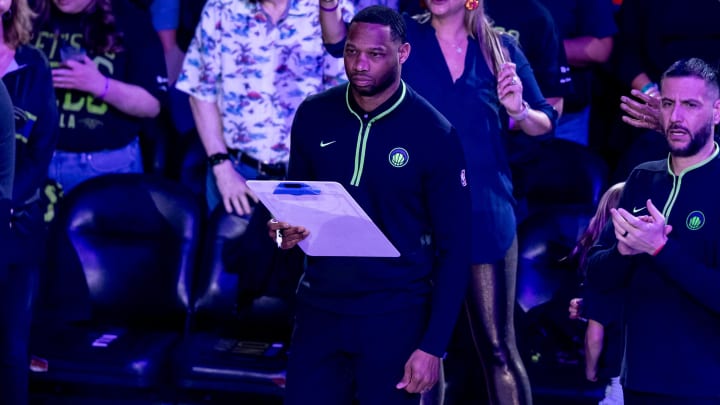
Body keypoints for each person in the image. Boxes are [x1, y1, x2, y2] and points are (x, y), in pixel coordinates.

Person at [319, 0, 557, 403]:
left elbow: (545, 123)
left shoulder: (500, 48)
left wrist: (519, 110)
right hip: (416, 218)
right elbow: (337, 42)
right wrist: (328, 6)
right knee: (424, 352)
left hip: (484, 213)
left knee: (497, 347)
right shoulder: (405, 37)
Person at [267, 6, 472, 404]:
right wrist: (280, 232)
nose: (360, 64)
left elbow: (456, 248)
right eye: (351, 51)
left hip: (394, 316)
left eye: (375, 54)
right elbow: (291, 215)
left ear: (403, 53)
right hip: (319, 310)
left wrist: (433, 346)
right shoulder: (313, 114)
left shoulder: (435, 133)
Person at [586, 57, 720, 404]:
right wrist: (624, 252)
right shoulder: (642, 178)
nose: (676, 117)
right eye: (667, 103)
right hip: (640, 380)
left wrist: (661, 249)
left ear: (717, 112)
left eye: (690, 105)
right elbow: (597, 275)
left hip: (706, 386)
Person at [175, 0, 351, 216]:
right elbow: (201, 92)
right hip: (236, 172)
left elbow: (344, 100)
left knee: (299, 248)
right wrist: (222, 168)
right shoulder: (221, 7)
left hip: (305, 175)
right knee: (225, 247)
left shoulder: (329, 9)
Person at [31, 0, 167, 193]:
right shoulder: (31, 13)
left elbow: (151, 105)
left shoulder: (130, 18)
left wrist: (100, 86)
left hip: (103, 165)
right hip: (35, 160)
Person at [0, 0, 59, 402]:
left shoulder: (32, 61)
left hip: (17, 222)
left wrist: (8, 202)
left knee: (10, 349)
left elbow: (41, 150)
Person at [567, 182, 625, 405]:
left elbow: (595, 334)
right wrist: (588, 306)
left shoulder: (601, 268)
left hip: (621, 372)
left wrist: (590, 369)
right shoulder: (649, 261)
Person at [536, 0, 617, 146]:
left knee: (565, 166)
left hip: (565, 120)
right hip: (494, 111)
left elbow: (601, 48)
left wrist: (539, 48)